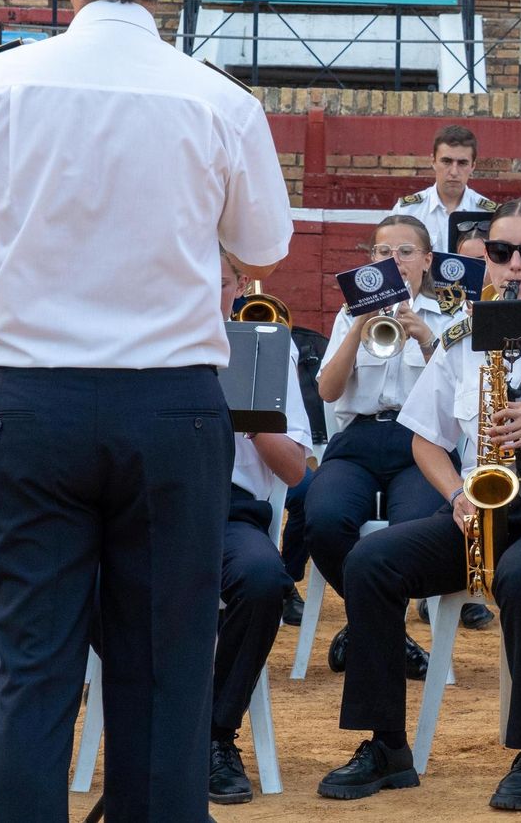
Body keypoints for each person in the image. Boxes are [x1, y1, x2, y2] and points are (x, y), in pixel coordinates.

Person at [0, 0, 292, 822]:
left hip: (34, 405)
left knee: (32, 668)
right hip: (173, 410)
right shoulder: (219, 99)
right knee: (163, 671)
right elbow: (264, 252)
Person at [318, 198, 521, 811]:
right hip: (481, 512)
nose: (514, 265)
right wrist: (457, 495)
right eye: (500, 253)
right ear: (484, 260)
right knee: (370, 561)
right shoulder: (462, 336)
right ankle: (385, 745)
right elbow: (424, 439)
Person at [309, 215, 483, 675]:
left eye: (405, 252)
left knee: (414, 530)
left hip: (421, 443)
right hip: (359, 440)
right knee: (323, 519)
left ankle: (369, 625)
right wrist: (358, 324)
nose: (394, 261)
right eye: (383, 253)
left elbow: (464, 397)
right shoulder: (352, 314)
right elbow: (327, 391)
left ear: (427, 261)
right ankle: (381, 624)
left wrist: (428, 339)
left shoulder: (452, 317)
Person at [208, 252, 312, 805]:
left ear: (238, 283)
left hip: (229, 509)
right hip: (143, 504)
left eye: (219, 282)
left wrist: (247, 412)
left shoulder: (264, 344)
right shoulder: (137, 338)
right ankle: (151, 721)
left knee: (264, 580)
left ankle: (215, 734)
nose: (206, 292)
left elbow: (295, 470)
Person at [388, 125, 495, 253]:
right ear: (433, 162)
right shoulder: (407, 210)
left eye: (462, 163)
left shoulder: (489, 214)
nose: (454, 172)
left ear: (473, 166)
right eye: (446, 161)